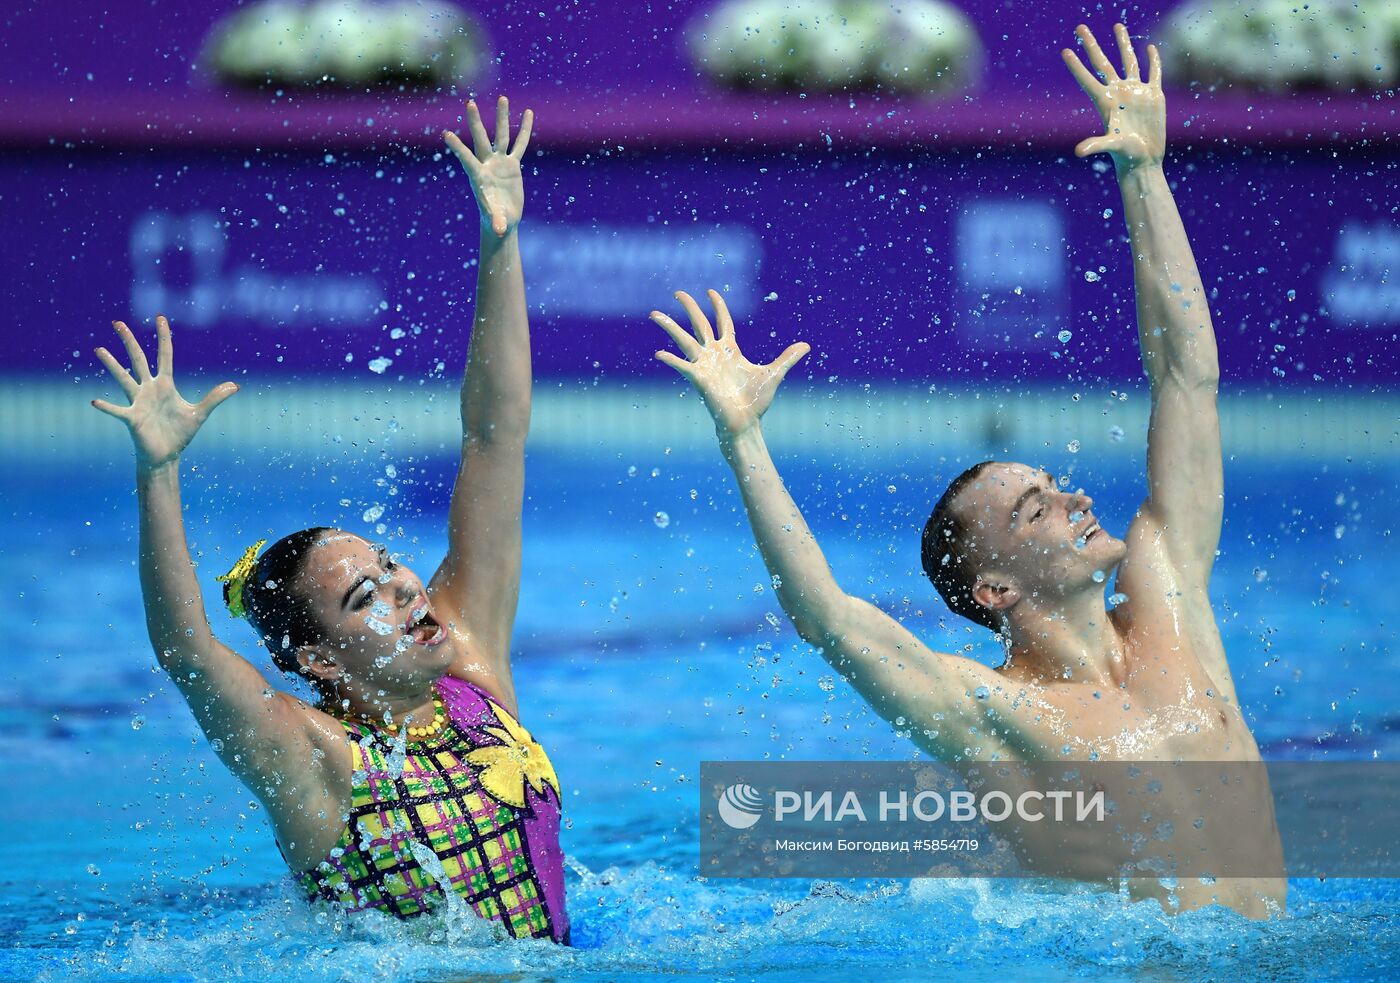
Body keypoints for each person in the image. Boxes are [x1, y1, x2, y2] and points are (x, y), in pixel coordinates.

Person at [649, 24, 1284, 918]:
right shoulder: (990, 714)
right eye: (1035, 509)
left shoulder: (1169, 588)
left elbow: (1188, 375)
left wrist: (1145, 177)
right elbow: (828, 617)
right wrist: (744, 441)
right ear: (993, 587)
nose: (1072, 498)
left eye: (1057, 486)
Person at [91, 98, 569, 943]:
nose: (405, 588)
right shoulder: (313, 761)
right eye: (364, 599)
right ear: (315, 656)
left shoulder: (472, 667)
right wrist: (158, 472)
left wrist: (502, 242)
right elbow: (186, 651)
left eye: (389, 565)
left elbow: (495, 438)